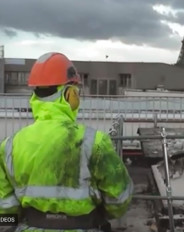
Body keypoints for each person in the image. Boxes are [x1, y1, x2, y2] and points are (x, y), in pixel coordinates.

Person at [0, 52, 133, 231]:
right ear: (69, 94)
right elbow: (120, 199)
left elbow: (5, 213)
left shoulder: (10, 146)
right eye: (76, 91)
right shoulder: (95, 142)